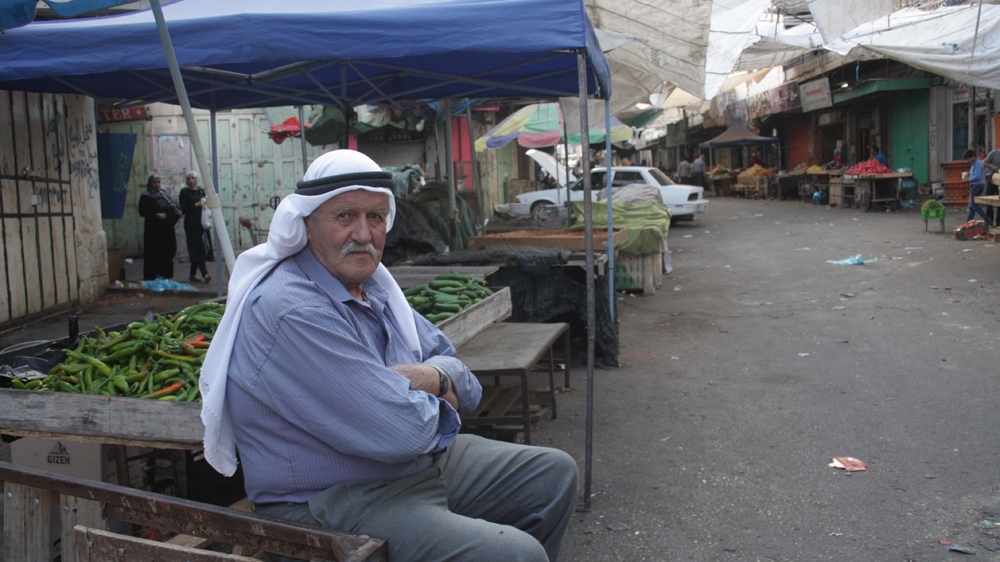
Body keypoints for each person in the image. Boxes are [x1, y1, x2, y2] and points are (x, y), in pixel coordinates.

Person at [199, 149, 578, 562]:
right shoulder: (291, 308)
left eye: (375, 217)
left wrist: (434, 379)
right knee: (516, 555)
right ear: (307, 224)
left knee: (553, 475)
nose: (363, 233)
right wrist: (432, 387)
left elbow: (460, 379)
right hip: (333, 500)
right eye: (345, 216)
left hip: (415, 467)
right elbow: (403, 431)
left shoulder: (372, 285)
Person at [137, 174, 181, 280]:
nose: (156, 185)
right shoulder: (146, 196)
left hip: (166, 228)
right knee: (154, 253)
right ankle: (153, 276)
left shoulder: (165, 194)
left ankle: (166, 275)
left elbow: (174, 205)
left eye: (158, 182)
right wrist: (155, 215)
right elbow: (142, 211)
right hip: (153, 230)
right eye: (154, 182)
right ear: (150, 184)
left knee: (168, 252)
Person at [178, 171, 213, 284]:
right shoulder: (184, 192)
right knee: (196, 247)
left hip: (202, 223)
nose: (191, 180)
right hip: (191, 223)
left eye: (193, 178)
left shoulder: (201, 191)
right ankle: (205, 273)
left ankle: (193, 273)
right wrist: (196, 205)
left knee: (201, 247)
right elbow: (184, 209)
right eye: (189, 178)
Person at [964, 148, 991, 224]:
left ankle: (987, 218)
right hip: (974, 185)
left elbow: (977, 176)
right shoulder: (974, 164)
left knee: (974, 204)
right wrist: (968, 174)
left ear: (973, 156)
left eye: (968, 159)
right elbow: (974, 174)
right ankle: (968, 222)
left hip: (977, 185)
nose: (968, 161)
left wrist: (968, 180)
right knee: (971, 206)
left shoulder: (978, 163)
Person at [982, 148, 1000, 226]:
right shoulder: (994, 153)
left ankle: (998, 221)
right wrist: (992, 166)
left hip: (999, 181)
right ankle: (989, 220)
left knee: (999, 201)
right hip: (991, 179)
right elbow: (984, 162)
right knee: (989, 200)